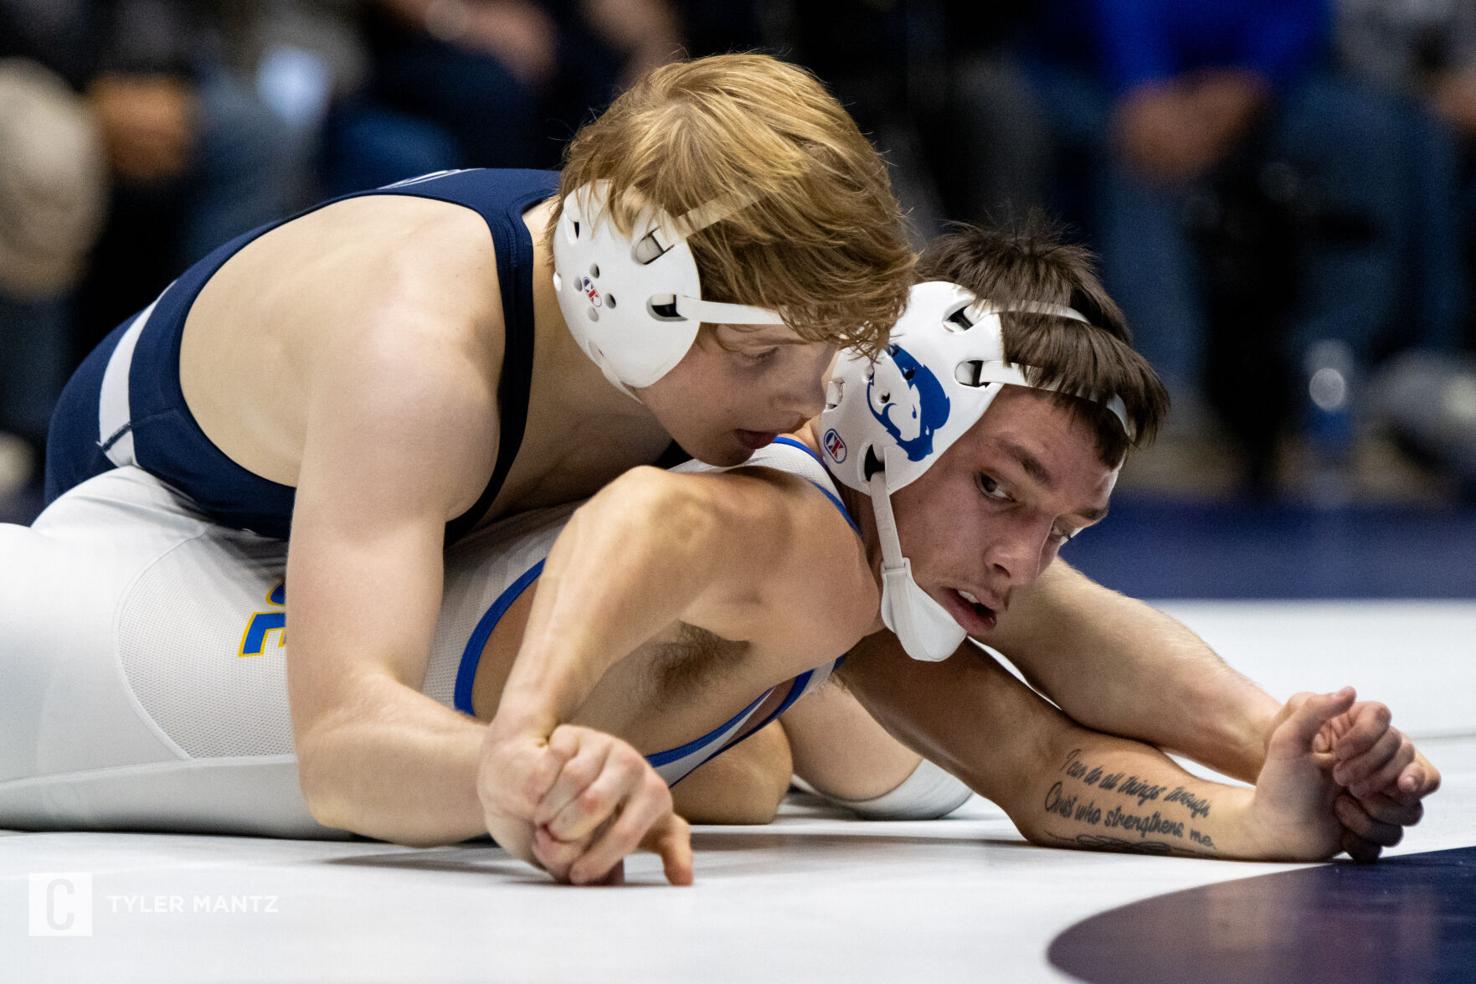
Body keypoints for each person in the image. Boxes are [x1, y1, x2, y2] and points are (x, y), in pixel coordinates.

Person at [7, 226, 1435, 883]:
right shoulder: (790, 523)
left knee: (834, 762)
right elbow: (651, 523)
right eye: (1002, 491)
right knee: (826, 761)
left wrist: (1278, 771)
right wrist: (525, 745)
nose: (1023, 557)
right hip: (104, 584)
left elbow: (1040, 752)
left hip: (181, 580)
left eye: (1061, 523)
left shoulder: (866, 545)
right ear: (896, 408)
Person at [39, 52, 915, 842]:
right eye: (761, 356)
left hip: (423, 494)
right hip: (171, 514)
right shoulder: (415, 357)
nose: (807, 400)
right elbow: (341, 749)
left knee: (759, 752)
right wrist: (521, 777)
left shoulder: (695, 318)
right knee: (731, 755)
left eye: (829, 354)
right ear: (624, 300)